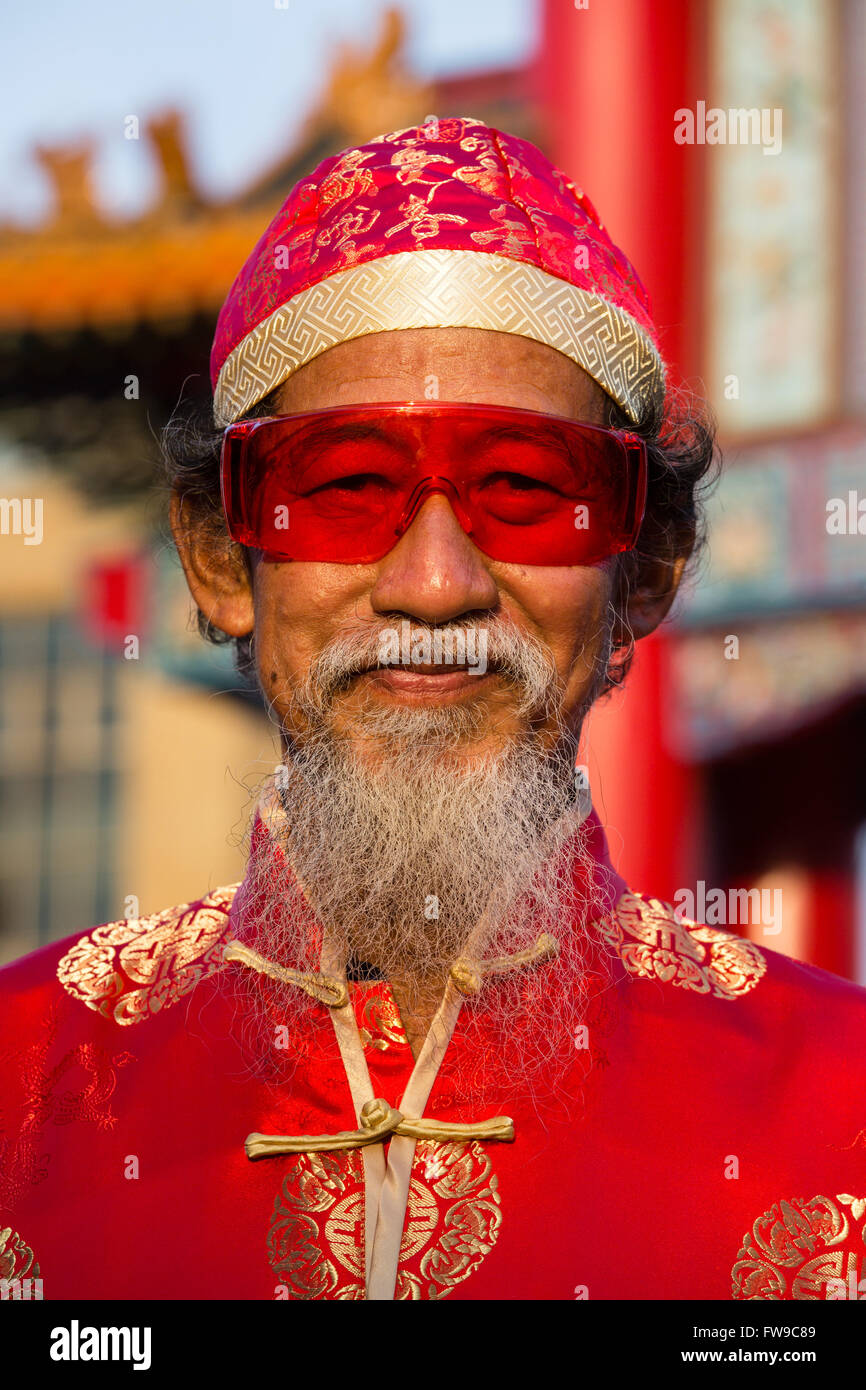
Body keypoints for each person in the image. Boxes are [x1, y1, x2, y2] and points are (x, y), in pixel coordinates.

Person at [2, 117, 865, 1302]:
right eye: (347, 484)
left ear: (644, 570)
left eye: (522, 487)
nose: (433, 583)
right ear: (217, 555)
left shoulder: (838, 1107)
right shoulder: (22, 1087)